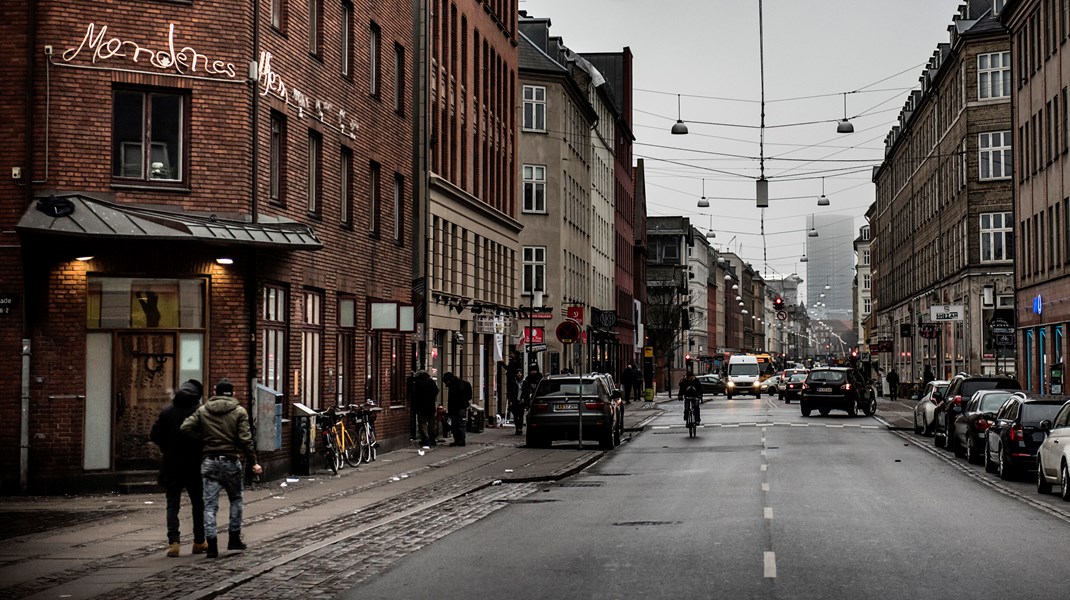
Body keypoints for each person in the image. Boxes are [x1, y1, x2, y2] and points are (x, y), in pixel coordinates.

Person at [181, 378, 261, 558]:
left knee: (210, 506)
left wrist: (203, 440)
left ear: (215, 391)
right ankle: (234, 539)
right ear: (232, 393)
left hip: (210, 461)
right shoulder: (239, 411)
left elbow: (185, 427)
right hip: (231, 461)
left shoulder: (203, 410)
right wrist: (253, 461)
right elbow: (245, 439)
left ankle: (212, 545)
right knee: (236, 500)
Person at [150, 379, 207, 557]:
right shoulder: (199, 412)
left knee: (172, 505)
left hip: (171, 465)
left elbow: (154, 434)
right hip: (194, 465)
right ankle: (199, 541)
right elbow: (205, 437)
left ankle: (173, 543)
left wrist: (167, 448)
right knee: (198, 504)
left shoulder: (167, 411)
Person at [441, 372, 472, 446]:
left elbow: (452, 399)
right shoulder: (463, 383)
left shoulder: (454, 385)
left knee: (457, 425)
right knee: (460, 424)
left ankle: (459, 440)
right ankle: (460, 440)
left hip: (457, 408)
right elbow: (469, 396)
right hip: (461, 407)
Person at [411, 370, 439, 447]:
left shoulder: (417, 383)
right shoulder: (431, 382)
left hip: (421, 406)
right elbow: (436, 391)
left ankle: (426, 439)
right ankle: (432, 439)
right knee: (431, 423)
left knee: (423, 423)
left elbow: (414, 394)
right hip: (430, 406)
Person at [518, 365, 543, 435]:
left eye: (534, 370)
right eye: (531, 370)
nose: (533, 372)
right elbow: (525, 390)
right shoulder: (527, 379)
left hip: (538, 398)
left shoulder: (540, 378)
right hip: (529, 399)